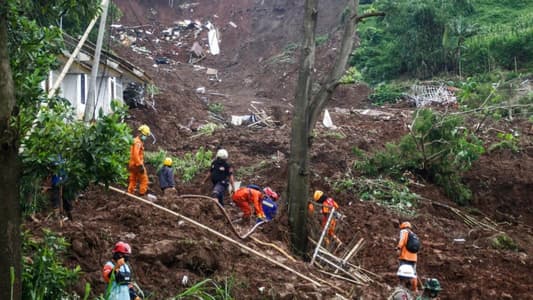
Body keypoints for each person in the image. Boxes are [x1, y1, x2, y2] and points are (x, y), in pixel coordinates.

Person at [128, 125, 150, 196]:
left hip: (132, 164)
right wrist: (140, 165)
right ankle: (142, 194)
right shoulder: (138, 142)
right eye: (145, 135)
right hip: (137, 164)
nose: (145, 137)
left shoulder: (135, 140)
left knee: (133, 180)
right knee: (144, 180)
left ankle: (130, 194)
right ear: (141, 133)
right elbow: (135, 154)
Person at [396, 221, 418, 292]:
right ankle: (414, 289)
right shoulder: (414, 234)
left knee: (402, 272)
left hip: (405, 257)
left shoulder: (404, 231)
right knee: (413, 274)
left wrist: (398, 248)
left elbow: (402, 240)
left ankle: (401, 288)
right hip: (414, 258)